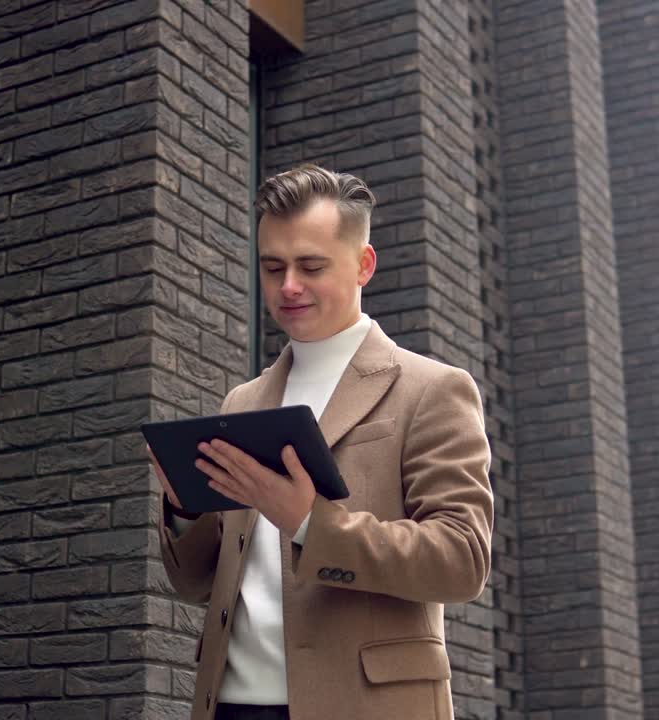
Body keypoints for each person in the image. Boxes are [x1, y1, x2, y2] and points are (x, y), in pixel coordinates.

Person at [148, 165, 494, 720]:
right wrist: (186, 511)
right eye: (272, 267)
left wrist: (310, 522)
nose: (288, 286)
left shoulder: (432, 390)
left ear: (364, 265)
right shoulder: (242, 403)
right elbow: (198, 586)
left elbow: (462, 559)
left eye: (310, 266)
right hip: (229, 704)